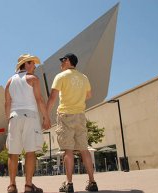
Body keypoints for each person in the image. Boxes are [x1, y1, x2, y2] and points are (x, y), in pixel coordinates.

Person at [47, 53, 98, 192]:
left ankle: (69, 184)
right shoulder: (84, 77)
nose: (61, 63)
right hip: (80, 115)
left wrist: (45, 114)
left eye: (63, 60)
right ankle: (92, 182)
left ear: (68, 61)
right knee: (84, 149)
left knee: (67, 150)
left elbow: (52, 97)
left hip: (65, 115)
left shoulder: (61, 76)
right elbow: (89, 95)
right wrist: (77, 99)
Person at [5, 54, 51, 193]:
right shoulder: (32, 79)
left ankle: (12, 186)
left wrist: (9, 120)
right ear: (25, 65)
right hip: (30, 116)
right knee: (30, 152)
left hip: (14, 117)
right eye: (32, 63)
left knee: (13, 153)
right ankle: (28, 185)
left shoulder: (9, 81)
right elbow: (39, 100)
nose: (35, 66)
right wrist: (46, 117)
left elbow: (7, 103)